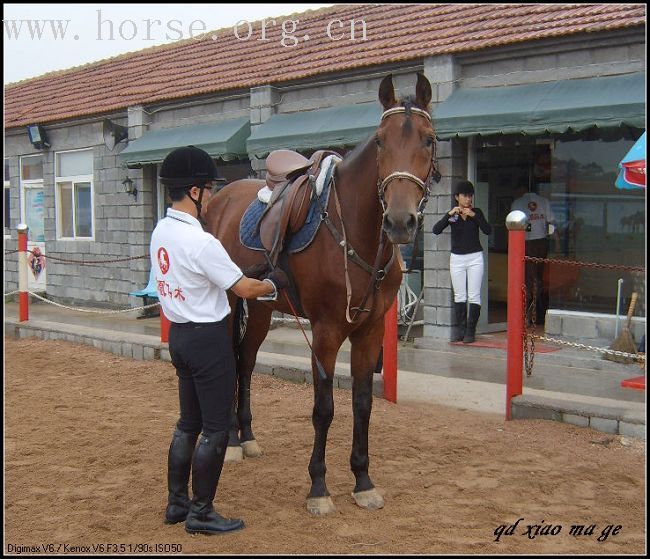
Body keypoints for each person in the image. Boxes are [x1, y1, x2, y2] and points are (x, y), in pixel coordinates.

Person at [151, 145, 288, 535]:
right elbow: (243, 289)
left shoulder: (161, 232)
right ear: (194, 191)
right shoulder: (203, 243)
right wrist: (273, 281)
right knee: (214, 430)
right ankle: (202, 512)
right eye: (208, 189)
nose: (211, 196)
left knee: (186, 425)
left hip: (179, 335)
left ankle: (177, 503)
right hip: (209, 341)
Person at [433, 180, 491, 343]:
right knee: (459, 295)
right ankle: (461, 329)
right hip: (457, 258)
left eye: (470, 196)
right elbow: (436, 230)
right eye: (465, 196)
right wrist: (449, 214)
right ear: (457, 197)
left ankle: (470, 331)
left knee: (474, 295)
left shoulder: (476, 212)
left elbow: (488, 230)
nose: (468, 199)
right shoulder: (453, 215)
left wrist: (474, 215)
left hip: (475, 257)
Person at [511, 182, 561, 323]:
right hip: (541, 243)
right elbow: (552, 224)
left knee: (527, 278)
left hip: (524, 243)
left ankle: (527, 312)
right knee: (538, 276)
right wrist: (557, 244)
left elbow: (512, 226)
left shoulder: (517, 203)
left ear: (522, 189)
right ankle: (537, 312)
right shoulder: (544, 201)